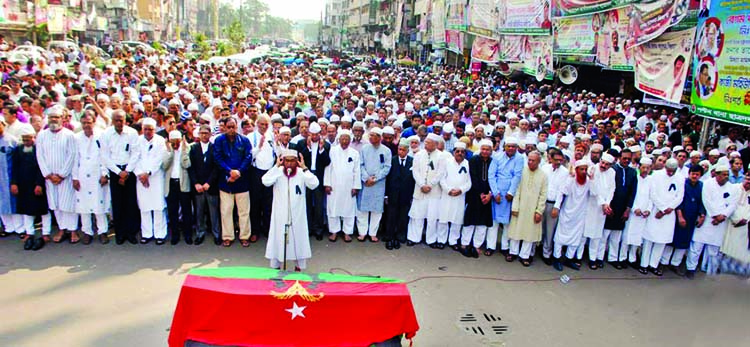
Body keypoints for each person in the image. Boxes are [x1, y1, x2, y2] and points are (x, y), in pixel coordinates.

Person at [262, 149, 320, 271]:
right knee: (278, 242)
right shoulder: (277, 172)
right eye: (286, 161)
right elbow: (265, 181)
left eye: (292, 161)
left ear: (297, 161)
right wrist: (276, 166)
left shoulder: (301, 173)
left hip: (297, 216)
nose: (289, 164)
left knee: (298, 242)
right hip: (280, 216)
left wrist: (305, 168)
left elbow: (314, 183)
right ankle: (277, 270)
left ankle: (298, 270)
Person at [688, 164, 740, 276]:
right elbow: (706, 201)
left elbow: (733, 204)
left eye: (727, 174)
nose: (726, 177)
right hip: (706, 219)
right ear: (716, 174)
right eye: (723, 175)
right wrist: (715, 215)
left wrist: (723, 216)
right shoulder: (707, 184)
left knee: (714, 249)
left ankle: (709, 270)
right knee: (696, 246)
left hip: (721, 222)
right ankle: (690, 269)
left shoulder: (732, 187)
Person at [36, 108, 78, 243]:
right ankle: (61, 229)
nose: (54, 120)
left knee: (68, 204)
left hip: (65, 177)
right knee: (55, 204)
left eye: (56, 117)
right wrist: (48, 174)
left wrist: (61, 175)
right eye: (51, 117)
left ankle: (72, 231)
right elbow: (40, 155)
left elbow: (72, 155)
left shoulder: (70, 135)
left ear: (63, 119)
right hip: (49, 177)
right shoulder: (41, 135)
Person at [101, 110, 141, 245]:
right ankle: (120, 234)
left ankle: (131, 233)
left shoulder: (132, 133)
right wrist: (118, 172)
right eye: (117, 120)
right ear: (112, 121)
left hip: (129, 170)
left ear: (126, 120)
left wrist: (127, 171)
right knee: (117, 203)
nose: (119, 123)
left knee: (130, 203)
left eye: (122, 120)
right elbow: (105, 156)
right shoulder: (106, 134)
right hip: (114, 171)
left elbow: (136, 153)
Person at [213, 117, 253, 247]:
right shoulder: (219, 140)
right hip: (226, 182)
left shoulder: (244, 140)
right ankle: (228, 236)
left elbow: (248, 158)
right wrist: (229, 172)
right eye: (228, 127)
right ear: (224, 127)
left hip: (242, 181)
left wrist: (238, 172)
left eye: (233, 127)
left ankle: (244, 236)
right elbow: (218, 158)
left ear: (237, 127)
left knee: (244, 211)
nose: (231, 129)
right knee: (226, 211)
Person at [72, 112, 110, 244]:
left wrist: (105, 174)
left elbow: (105, 156)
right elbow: (75, 159)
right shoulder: (76, 138)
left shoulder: (101, 136)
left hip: (97, 175)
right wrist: (75, 177)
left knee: (99, 204)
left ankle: (102, 231)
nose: (86, 125)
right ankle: (87, 232)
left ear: (94, 122)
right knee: (84, 206)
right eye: (84, 123)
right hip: (82, 175)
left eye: (89, 122)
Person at [641, 159, 684, 276]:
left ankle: (653, 265)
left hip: (669, 213)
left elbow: (680, 196)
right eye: (669, 170)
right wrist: (662, 208)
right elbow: (653, 194)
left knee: (662, 241)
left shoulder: (680, 178)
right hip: (656, 210)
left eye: (673, 171)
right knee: (649, 239)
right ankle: (644, 264)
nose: (670, 173)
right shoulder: (656, 175)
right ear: (665, 167)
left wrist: (668, 209)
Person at [662, 165, 706, 276]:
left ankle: (675, 264)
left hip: (691, 218)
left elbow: (703, 202)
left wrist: (701, 215)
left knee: (684, 242)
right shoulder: (683, 184)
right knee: (671, 240)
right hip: (679, 215)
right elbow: (678, 200)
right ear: (689, 173)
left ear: (701, 175)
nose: (695, 176)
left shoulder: (701, 186)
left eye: (697, 174)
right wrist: (680, 216)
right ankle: (663, 262)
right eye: (693, 173)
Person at [12, 126, 51, 250]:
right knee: (26, 210)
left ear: (34, 138)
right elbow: (15, 168)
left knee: (43, 210)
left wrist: (39, 184)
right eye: (24, 140)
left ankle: (46, 233)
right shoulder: (18, 150)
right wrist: (14, 183)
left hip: (38, 185)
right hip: (23, 185)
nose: (27, 142)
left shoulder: (39, 149)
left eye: (29, 139)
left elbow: (42, 167)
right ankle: (30, 233)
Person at [507, 151, 548, 266]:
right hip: (520, 206)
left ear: (539, 161)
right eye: (529, 159)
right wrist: (515, 206)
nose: (530, 162)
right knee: (516, 229)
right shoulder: (522, 172)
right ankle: (513, 252)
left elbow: (543, 195)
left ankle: (525, 255)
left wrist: (539, 211)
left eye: (533, 160)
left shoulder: (543, 176)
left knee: (529, 233)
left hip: (533, 209)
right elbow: (516, 189)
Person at [553, 160, 593, 271]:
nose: (584, 172)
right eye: (581, 169)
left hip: (580, 214)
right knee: (560, 237)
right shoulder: (570, 180)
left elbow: (594, 193)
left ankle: (568, 259)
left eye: (585, 169)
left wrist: (592, 179)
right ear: (576, 170)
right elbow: (562, 192)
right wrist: (557, 207)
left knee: (576, 238)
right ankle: (556, 259)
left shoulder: (589, 181)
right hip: (567, 212)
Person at [407, 133, 446, 246]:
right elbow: (415, 171)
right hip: (420, 190)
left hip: (434, 191)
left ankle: (431, 239)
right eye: (426, 142)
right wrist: (422, 184)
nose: (426, 144)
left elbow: (440, 173)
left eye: (428, 142)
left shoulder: (441, 156)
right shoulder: (419, 154)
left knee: (432, 217)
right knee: (416, 215)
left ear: (435, 144)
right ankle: (414, 238)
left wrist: (430, 185)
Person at [134, 118, 168, 244]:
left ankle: (160, 234)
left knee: (158, 207)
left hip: (156, 177)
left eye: (150, 129)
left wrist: (148, 173)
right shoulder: (137, 141)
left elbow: (160, 159)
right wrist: (140, 174)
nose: (148, 132)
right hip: (141, 178)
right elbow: (134, 159)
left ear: (155, 130)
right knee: (144, 207)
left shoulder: (160, 141)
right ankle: (147, 233)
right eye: (146, 129)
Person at [489, 137, 524, 258]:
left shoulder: (520, 158)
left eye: (513, 146)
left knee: (508, 223)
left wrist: (511, 192)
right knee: (494, 222)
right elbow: (491, 175)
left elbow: (517, 176)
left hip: (510, 194)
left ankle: (505, 247)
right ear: (504, 146)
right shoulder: (497, 156)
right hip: (497, 191)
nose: (511, 148)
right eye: (508, 146)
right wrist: (495, 193)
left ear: (516, 148)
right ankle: (491, 246)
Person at [602, 149, 637, 269]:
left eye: (628, 158)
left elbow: (633, 192)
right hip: (611, 206)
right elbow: (607, 189)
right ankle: (599, 257)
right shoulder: (612, 170)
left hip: (623, 208)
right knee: (604, 234)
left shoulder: (632, 172)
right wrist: (607, 205)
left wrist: (628, 209)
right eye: (624, 158)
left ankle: (613, 258)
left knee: (616, 236)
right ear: (619, 158)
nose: (626, 160)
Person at [324, 129, 360, 242]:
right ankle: (334, 231)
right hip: (334, 185)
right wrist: (327, 184)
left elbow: (357, 171)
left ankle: (347, 232)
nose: (344, 141)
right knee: (333, 209)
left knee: (348, 209)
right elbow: (328, 168)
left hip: (349, 187)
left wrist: (356, 186)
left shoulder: (354, 153)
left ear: (350, 140)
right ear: (339, 139)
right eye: (342, 139)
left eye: (347, 139)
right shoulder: (332, 151)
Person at [296, 121, 330, 240]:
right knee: (307, 203)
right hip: (306, 175)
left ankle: (318, 229)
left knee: (319, 205)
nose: (314, 137)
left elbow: (327, 162)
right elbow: (300, 159)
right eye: (312, 134)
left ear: (320, 133)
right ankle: (308, 228)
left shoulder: (326, 145)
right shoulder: (301, 143)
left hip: (319, 177)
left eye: (317, 134)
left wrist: (321, 150)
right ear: (309, 134)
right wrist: (308, 148)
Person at [356, 128, 392, 242]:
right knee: (363, 208)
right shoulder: (364, 149)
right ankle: (362, 232)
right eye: (370, 135)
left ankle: (373, 233)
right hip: (365, 182)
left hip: (378, 183)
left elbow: (387, 167)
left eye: (373, 135)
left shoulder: (386, 150)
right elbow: (360, 165)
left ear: (379, 137)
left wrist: (375, 179)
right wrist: (366, 178)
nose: (370, 137)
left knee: (376, 209)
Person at [462, 139, 494, 257]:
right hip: (474, 195)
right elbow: (473, 177)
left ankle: (476, 246)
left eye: (488, 149)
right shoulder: (474, 160)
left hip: (488, 196)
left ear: (491, 151)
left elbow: (494, 178)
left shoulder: (493, 162)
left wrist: (489, 194)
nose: (485, 151)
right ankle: (464, 244)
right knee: (470, 221)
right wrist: (481, 193)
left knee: (482, 223)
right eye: (483, 149)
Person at [188, 125, 220, 245]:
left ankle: (216, 234)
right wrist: (196, 183)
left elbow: (217, 168)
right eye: (202, 133)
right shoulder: (194, 148)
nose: (204, 135)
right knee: (199, 212)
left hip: (211, 186)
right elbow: (191, 168)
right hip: (198, 187)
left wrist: (209, 183)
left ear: (210, 134)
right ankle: (200, 233)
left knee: (214, 212)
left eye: (206, 133)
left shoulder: (214, 148)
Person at [584, 153, 616, 269]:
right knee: (585, 233)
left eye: (607, 165)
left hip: (602, 209)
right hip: (591, 205)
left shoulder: (612, 172)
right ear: (600, 161)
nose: (604, 166)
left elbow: (612, 189)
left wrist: (607, 203)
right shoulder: (592, 169)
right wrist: (603, 203)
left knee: (597, 235)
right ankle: (577, 257)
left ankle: (593, 259)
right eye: (603, 163)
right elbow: (594, 189)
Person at [438, 142, 471, 249]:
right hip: (447, 194)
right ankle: (441, 240)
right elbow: (441, 179)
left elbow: (469, 182)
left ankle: (453, 241)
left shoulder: (467, 164)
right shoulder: (447, 162)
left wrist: (461, 190)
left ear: (465, 153)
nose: (460, 153)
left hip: (460, 196)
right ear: (453, 152)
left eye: (462, 152)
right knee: (443, 218)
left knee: (457, 219)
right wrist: (448, 190)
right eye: (457, 151)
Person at [620, 157, 653, 268]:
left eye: (647, 168)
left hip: (643, 214)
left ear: (650, 169)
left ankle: (632, 258)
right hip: (633, 213)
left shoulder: (651, 180)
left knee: (637, 237)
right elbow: (631, 195)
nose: (645, 170)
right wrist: (634, 208)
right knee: (627, 235)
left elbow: (651, 197)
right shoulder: (635, 178)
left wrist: (648, 210)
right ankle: (622, 257)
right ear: (639, 167)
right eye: (643, 167)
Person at [384, 139, 415, 250]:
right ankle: (389, 237)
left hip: (406, 194)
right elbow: (387, 179)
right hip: (393, 194)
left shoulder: (412, 161)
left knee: (403, 216)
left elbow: (413, 180)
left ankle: (399, 236)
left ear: (407, 150)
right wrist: (386, 195)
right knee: (391, 216)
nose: (401, 152)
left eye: (403, 150)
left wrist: (412, 196)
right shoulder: (392, 160)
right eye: (399, 149)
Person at [248, 114, 275, 238]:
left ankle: (268, 230)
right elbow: (248, 157)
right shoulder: (250, 137)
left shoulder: (273, 137)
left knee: (268, 203)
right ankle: (255, 231)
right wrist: (258, 147)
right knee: (255, 203)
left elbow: (277, 153)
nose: (264, 126)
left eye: (266, 124)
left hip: (270, 172)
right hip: (256, 172)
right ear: (257, 124)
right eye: (261, 124)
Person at [540, 148, 568, 265]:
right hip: (541, 202)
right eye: (555, 160)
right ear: (550, 158)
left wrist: (557, 207)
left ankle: (547, 253)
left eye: (560, 160)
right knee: (537, 228)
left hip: (553, 204)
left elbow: (562, 191)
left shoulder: (565, 172)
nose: (558, 162)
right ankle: (532, 251)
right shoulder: (544, 168)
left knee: (550, 230)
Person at [164, 131, 192, 245]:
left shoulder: (187, 148)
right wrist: (170, 152)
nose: (175, 144)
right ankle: (175, 235)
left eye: (177, 141)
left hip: (183, 183)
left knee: (186, 210)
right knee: (173, 211)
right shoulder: (166, 150)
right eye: (173, 142)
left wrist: (184, 151)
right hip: (171, 183)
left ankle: (188, 235)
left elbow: (186, 165)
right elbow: (164, 166)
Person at [720, 170, 750, 276]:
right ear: (744, 179)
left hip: (744, 224)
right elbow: (728, 204)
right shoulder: (735, 188)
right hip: (731, 221)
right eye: (747, 180)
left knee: (739, 246)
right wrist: (735, 219)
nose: (748, 183)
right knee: (727, 244)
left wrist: (746, 219)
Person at [0, 118, 21, 237]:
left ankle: (19, 228)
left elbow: (18, 161)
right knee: (1, 203)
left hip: (10, 177)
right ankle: (8, 227)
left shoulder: (12, 140)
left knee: (14, 202)